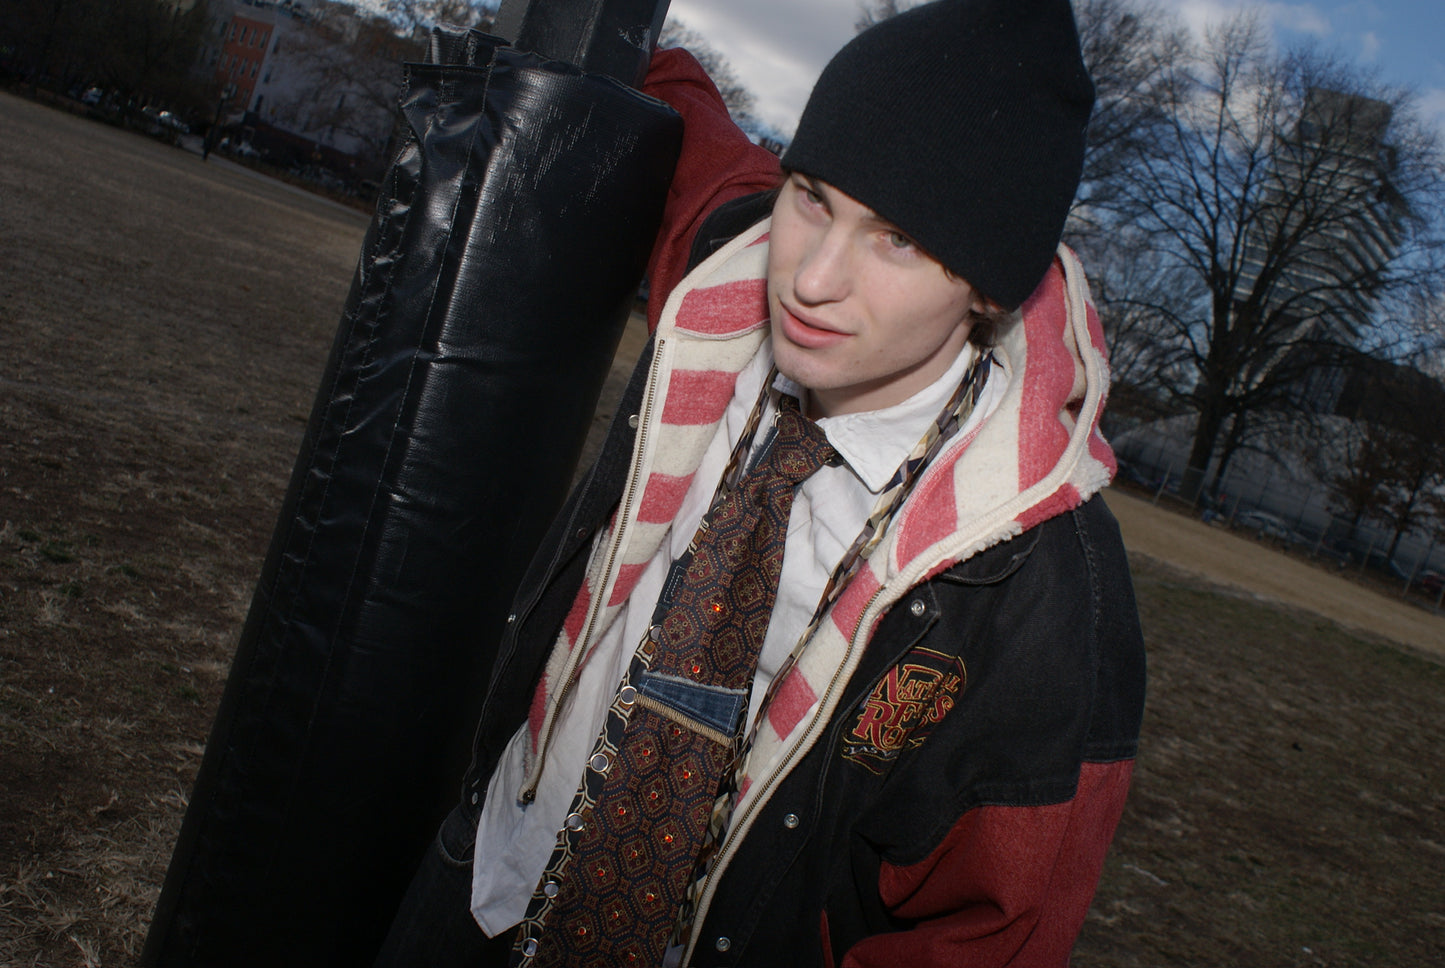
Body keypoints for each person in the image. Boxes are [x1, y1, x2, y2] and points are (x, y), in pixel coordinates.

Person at [375, 1, 1146, 965]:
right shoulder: (729, 267)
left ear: (989, 286)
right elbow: (698, 132)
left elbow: (987, 935)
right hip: (482, 883)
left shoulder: (1045, 594)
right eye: (814, 195)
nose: (811, 278)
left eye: (898, 238)